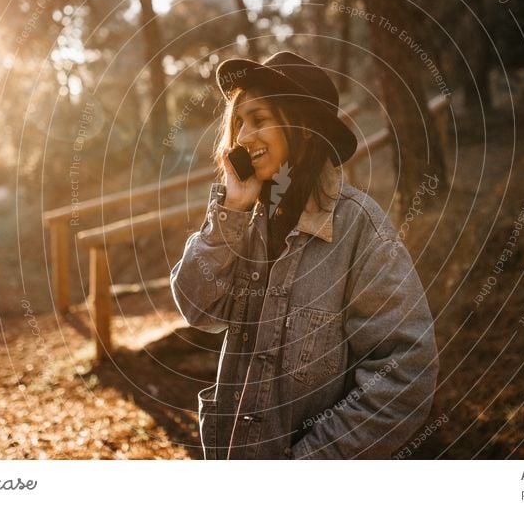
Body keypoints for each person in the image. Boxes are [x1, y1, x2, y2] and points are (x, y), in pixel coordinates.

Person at [169, 50, 439, 459]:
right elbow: (196, 308)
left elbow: (407, 371)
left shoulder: (360, 229)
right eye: (239, 122)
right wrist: (232, 210)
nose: (242, 137)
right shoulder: (244, 218)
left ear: (305, 128)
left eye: (259, 120)